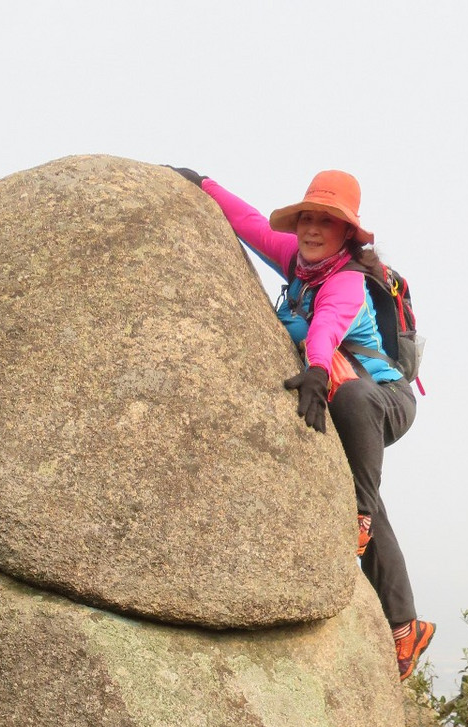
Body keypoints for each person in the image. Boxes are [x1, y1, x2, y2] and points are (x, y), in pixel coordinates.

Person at [172, 166, 434, 682]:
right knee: (368, 499)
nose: (312, 229)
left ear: (347, 234)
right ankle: (406, 626)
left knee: (356, 426)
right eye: (307, 219)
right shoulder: (297, 261)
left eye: (326, 222)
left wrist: (315, 368)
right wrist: (201, 183)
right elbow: (246, 221)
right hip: (338, 393)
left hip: (381, 398)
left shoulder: (349, 282)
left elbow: (329, 326)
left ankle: (357, 517)